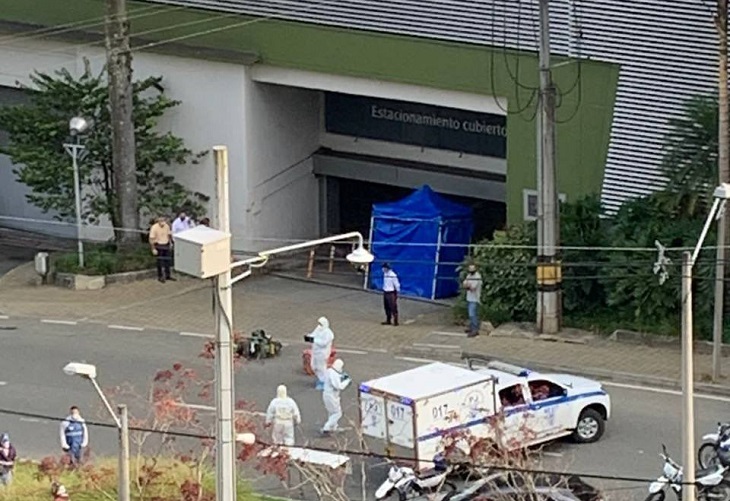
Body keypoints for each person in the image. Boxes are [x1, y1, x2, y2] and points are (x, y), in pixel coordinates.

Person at [321, 359, 351, 434]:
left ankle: (333, 427)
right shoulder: (333, 373)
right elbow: (339, 386)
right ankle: (327, 427)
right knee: (337, 413)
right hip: (331, 395)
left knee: (332, 412)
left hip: (328, 394)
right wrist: (347, 381)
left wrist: (343, 376)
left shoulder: (329, 371)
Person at [307, 317, 334, 390]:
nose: (319, 325)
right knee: (313, 366)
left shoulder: (329, 334)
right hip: (315, 351)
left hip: (322, 353)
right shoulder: (318, 329)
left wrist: (314, 340)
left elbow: (324, 343)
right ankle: (320, 378)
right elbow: (314, 334)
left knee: (321, 367)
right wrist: (309, 337)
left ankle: (323, 381)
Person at [148, 216, 175, 283]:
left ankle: (168, 275)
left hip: (166, 244)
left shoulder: (167, 226)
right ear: (158, 221)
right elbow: (151, 239)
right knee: (160, 261)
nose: (163, 222)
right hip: (158, 245)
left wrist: (170, 243)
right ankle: (160, 276)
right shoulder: (154, 227)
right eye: (161, 221)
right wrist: (153, 248)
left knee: (167, 261)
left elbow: (169, 235)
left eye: (164, 220)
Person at [462, 263, 483, 337]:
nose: (471, 270)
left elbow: (473, 288)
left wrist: (468, 285)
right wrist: (468, 286)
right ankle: (471, 327)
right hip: (469, 297)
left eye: (472, 269)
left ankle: (475, 330)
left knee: (472, 314)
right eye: (470, 269)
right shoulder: (469, 275)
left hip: (475, 298)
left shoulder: (477, 276)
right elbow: (464, 284)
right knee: (470, 314)